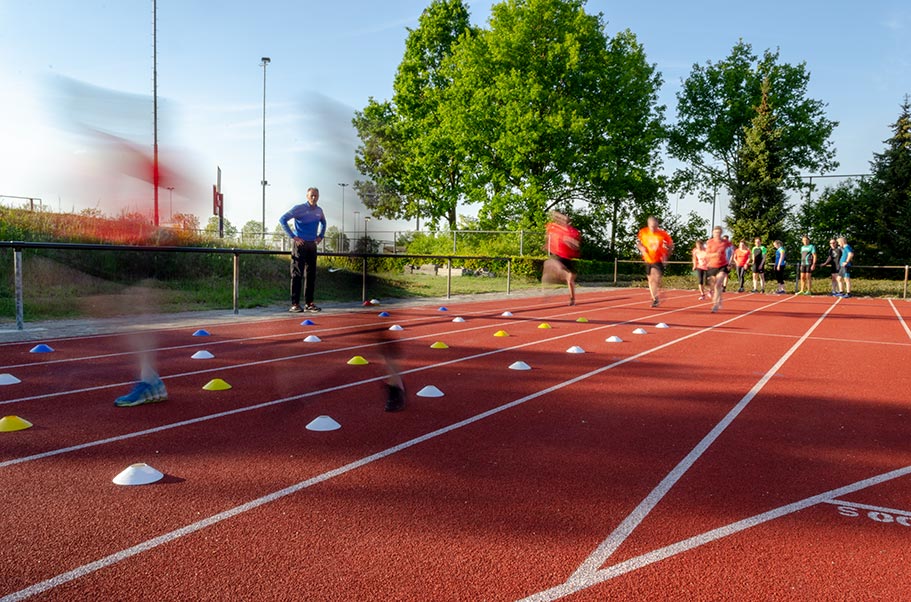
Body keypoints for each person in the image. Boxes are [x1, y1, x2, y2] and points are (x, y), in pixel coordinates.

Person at [279, 187, 327, 313]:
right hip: (300, 245)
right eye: (311, 195)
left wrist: (320, 236)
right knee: (297, 274)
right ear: (307, 196)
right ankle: (295, 304)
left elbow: (324, 223)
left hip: (312, 245)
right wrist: (293, 237)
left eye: (316, 195)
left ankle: (309, 303)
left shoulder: (319, 210)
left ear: (318, 196)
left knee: (311, 275)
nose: (313, 198)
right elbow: (282, 220)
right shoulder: (298, 208)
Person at [543, 211, 581, 305]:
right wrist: (546, 244)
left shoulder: (573, 231)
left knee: (570, 279)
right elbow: (554, 215)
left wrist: (569, 241)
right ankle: (548, 287)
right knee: (550, 264)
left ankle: (572, 299)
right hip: (558, 256)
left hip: (567, 257)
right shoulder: (553, 227)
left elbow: (576, 246)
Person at [635, 216, 674, 307]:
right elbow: (639, 243)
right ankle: (655, 298)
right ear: (648, 224)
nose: (653, 228)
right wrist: (642, 249)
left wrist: (667, 255)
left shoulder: (662, 234)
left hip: (658, 259)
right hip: (648, 259)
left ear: (657, 225)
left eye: (655, 226)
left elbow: (671, 244)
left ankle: (657, 293)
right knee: (650, 279)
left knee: (655, 277)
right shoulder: (643, 232)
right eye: (651, 226)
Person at [704, 226, 732, 312]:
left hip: (722, 265)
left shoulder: (725, 242)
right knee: (712, 285)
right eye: (715, 232)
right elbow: (706, 255)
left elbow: (732, 250)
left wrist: (730, 262)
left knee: (718, 284)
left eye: (719, 233)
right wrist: (715, 254)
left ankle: (715, 304)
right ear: (713, 233)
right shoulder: (710, 242)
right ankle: (719, 298)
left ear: (721, 233)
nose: (717, 234)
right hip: (712, 266)